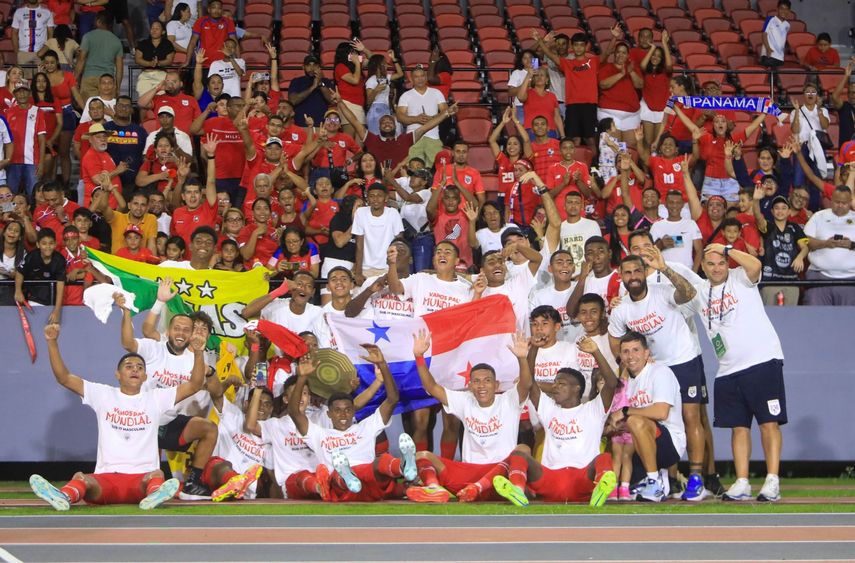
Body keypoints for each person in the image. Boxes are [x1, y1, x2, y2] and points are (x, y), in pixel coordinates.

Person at [28, 323, 205, 511]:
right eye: (129, 367)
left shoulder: (156, 397)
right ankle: (63, 497)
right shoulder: (102, 394)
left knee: (156, 475)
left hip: (142, 479)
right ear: (118, 374)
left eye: (139, 367)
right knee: (81, 478)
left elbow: (194, 385)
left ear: (145, 376)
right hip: (106, 479)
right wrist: (52, 343)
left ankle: (155, 495)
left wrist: (199, 353)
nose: (135, 370)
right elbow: (64, 378)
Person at [685, 243, 786, 501]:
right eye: (711, 264)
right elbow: (677, 288)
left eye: (721, 263)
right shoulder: (700, 291)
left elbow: (756, 265)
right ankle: (742, 482)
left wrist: (726, 248)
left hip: (762, 361)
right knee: (738, 428)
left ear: (728, 262)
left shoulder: (741, 277)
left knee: (768, 423)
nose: (717, 268)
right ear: (703, 267)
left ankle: (772, 480)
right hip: (728, 370)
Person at [608, 250, 709, 501]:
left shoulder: (662, 291)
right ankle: (662, 479)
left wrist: (664, 268)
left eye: (637, 271)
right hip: (651, 368)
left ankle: (696, 478)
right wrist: (631, 362)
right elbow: (614, 340)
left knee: (690, 417)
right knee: (650, 422)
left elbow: (689, 294)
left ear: (645, 273)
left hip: (682, 360)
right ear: (621, 276)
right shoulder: (622, 308)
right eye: (627, 272)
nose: (633, 276)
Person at [405, 330, 532, 503]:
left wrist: (522, 359)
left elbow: (526, 384)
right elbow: (432, 387)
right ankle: (434, 488)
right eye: (476, 381)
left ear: (496, 385)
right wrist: (419, 356)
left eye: (487, 381)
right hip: (468, 474)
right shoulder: (465, 400)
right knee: (422, 456)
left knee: (523, 449)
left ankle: (516, 491)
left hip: (501, 476)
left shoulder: (509, 400)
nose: (482, 386)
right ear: (470, 385)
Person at [117, 284, 218, 498]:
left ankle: (192, 484)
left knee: (209, 429)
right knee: (148, 479)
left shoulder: (194, 358)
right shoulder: (155, 347)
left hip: (170, 423)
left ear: (192, 335)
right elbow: (128, 342)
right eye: (177, 328)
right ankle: (150, 484)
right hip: (142, 421)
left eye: (186, 330)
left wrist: (200, 354)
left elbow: (198, 383)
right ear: (168, 331)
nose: (181, 333)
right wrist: (128, 312)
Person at [495, 338, 618, 506]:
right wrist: (532, 352)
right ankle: (517, 491)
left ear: (577, 389)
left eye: (562, 384)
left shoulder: (593, 409)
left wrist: (595, 351)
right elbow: (530, 384)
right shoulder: (550, 409)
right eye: (555, 383)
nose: (556, 387)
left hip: (581, 480)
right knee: (518, 454)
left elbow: (611, 382)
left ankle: (599, 490)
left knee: (603, 458)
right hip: (549, 479)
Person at [289, 347, 417, 502]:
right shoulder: (319, 434)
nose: (343, 415)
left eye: (348, 410)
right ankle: (347, 476)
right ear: (329, 414)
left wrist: (383, 365)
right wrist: (302, 378)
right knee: (336, 476)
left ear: (353, 412)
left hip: (370, 484)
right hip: (342, 489)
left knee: (379, 462)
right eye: (337, 411)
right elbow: (295, 413)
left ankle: (404, 467)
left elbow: (392, 400)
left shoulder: (365, 427)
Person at [614, 332, 686, 502]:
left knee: (634, 421)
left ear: (646, 353)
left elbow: (661, 413)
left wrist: (626, 411)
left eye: (636, 350)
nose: (631, 356)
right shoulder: (628, 382)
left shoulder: (660, 372)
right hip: (641, 446)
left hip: (670, 443)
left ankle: (654, 482)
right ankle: (656, 476)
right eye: (625, 351)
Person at [536, 31, 600, 155]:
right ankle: (573, 166)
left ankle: (594, 167)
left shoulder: (593, 61)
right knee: (574, 139)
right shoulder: (567, 63)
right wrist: (540, 41)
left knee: (590, 139)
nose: (579, 47)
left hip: (589, 105)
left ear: (586, 46)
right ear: (572, 46)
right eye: (576, 45)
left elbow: (607, 54)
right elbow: (549, 55)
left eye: (581, 45)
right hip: (572, 105)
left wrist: (614, 38)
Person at [803, 186, 855, 305]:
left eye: (844, 203)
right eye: (837, 202)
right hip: (820, 275)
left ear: (850, 201)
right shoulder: (818, 216)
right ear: (831, 200)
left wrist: (851, 244)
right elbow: (805, 240)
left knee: (849, 321)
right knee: (816, 319)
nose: (840, 205)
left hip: (851, 278)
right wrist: (825, 243)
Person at [396, 65, 448, 167]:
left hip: (433, 137)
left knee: (438, 168)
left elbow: (445, 112)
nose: (420, 79)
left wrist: (432, 119)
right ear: (411, 79)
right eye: (416, 76)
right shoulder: (406, 96)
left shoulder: (436, 93)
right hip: (413, 137)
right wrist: (416, 119)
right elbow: (399, 117)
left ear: (426, 77)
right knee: (414, 169)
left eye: (422, 76)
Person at [352, 183, 404, 284]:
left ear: (386, 198)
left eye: (379, 196)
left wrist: (396, 270)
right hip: (366, 268)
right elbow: (359, 245)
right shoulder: (360, 213)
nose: (375, 199)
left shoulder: (393, 213)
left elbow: (399, 243)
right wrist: (358, 272)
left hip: (388, 268)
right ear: (367, 198)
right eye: (372, 196)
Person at [14, 228, 64, 323]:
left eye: (51, 243)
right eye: (44, 243)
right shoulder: (31, 257)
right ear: (38, 244)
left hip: (53, 301)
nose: (48, 247)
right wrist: (18, 290)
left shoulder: (60, 260)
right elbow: (19, 272)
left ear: (55, 244)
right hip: (34, 300)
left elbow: (60, 285)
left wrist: (57, 311)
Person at [598, 42, 643, 146]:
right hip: (610, 113)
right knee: (613, 148)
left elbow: (639, 85)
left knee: (630, 148)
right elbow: (603, 85)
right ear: (614, 54)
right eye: (618, 52)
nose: (620, 55)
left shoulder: (633, 69)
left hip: (631, 114)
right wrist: (621, 74)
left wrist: (631, 72)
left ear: (628, 55)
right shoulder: (607, 68)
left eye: (623, 53)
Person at [6, 84, 47, 197]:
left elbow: (42, 139)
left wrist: (42, 162)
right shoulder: (9, 112)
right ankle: (7, 215)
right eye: (19, 92)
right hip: (12, 161)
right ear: (15, 94)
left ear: (29, 93)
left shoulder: (38, 111)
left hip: (32, 161)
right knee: (9, 195)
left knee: (34, 195)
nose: (22, 94)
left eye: (24, 91)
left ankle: (34, 214)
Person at [104, 96, 147, 197]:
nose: (124, 108)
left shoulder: (140, 131)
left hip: (132, 183)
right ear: (114, 107)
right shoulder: (105, 129)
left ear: (132, 110)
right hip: (109, 180)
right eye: (121, 105)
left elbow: (145, 156)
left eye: (127, 106)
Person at [650, 190, 703, 271]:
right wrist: (660, 245)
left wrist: (694, 273)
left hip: (686, 273)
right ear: (665, 204)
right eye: (671, 202)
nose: (674, 206)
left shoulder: (691, 224)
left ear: (682, 205)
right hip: (664, 274)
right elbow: (649, 252)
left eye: (678, 203)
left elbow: (699, 251)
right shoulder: (656, 226)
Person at [74, 13, 123, 99]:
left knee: (90, 109)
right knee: (106, 111)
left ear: (98, 22)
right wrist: (118, 87)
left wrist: (75, 79)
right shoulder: (116, 41)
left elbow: (81, 59)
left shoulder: (88, 37)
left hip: (89, 78)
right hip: (108, 80)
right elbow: (120, 67)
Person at [638, 31, 672, 150]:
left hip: (662, 109)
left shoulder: (666, 72)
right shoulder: (645, 71)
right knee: (647, 142)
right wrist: (652, 49)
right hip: (647, 107)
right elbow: (642, 65)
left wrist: (664, 44)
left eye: (659, 56)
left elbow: (669, 65)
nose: (655, 57)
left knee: (658, 143)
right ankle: (646, 168)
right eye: (653, 55)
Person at [288, 55, 336, 127]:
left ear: (319, 67)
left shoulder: (326, 82)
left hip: (321, 126)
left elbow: (332, 100)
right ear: (303, 67)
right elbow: (293, 100)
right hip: (301, 125)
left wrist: (320, 84)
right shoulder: (297, 81)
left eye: (315, 65)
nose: (312, 68)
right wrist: (313, 87)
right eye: (308, 65)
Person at [184, 0, 235, 68]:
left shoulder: (228, 22)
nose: (216, 10)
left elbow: (234, 41)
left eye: (219, 8)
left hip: (224, 63)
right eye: (214, 8)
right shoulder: (201, 21)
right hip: (204, 63)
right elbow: (193, 42)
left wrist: (238, 60)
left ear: (222, 10)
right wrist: (187, 61)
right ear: (209, 9)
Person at [364, 51, 404, 135]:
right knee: (376, 137)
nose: (386, 65)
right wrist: (376, 90)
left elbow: (400, 74)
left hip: (386, 109)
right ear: (378, 66)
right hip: (375, 110)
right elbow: (368, 101)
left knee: (386, 136)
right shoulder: (371, 80)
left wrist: (394, 59)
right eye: (384, 63)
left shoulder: (386, 78)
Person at [134, 20, 175, 98]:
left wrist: (158, 63)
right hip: (146, 74)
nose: (154, 30)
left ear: (163, 32)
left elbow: (169, 60)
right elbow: (137, 59)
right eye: (152, 28)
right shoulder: (143, 43)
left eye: (157, 28)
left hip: (161, 74)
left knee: (161, 98)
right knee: (144, 99)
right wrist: (150, 64)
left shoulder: (167, 44)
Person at [12, 0, 55, 69]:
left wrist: (45, 50)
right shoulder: (19, 12)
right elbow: (14, 33)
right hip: (23, 52)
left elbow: (51, 33)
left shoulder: (47, 12)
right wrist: (17, 52)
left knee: (41, 78)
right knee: (22, 78)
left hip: (40, 53)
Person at [759, 0, 791, 68]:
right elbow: (764, 34)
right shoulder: (770, 19)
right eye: (781, 8)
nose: (784, 11)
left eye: (786, 9)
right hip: (769, 54)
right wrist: (768, 48)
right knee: (768, 76)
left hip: (780, 57)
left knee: (776, 77)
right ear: (777, 9)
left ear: (789, 11)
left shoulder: (787, 25)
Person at [830, 59, 855, 148]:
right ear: (847, 95)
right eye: (851, 92)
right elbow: (834, 97)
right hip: (846, 150)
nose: (853, 95)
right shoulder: (844, 107)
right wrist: (846, 76)